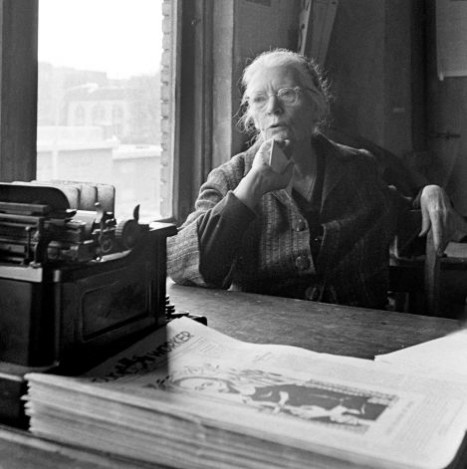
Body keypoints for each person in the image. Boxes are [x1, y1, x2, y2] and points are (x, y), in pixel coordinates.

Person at [168, 48, 462, 309]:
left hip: (359, 340)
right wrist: (252, 187)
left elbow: (406, 227)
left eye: (287, 93)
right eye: (259, 99)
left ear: (317, 106)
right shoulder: (231, 177)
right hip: (266, 343)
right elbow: (181, 266)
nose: (273, 108)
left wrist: (430, 193)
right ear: (252, 117)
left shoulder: (358, 167)